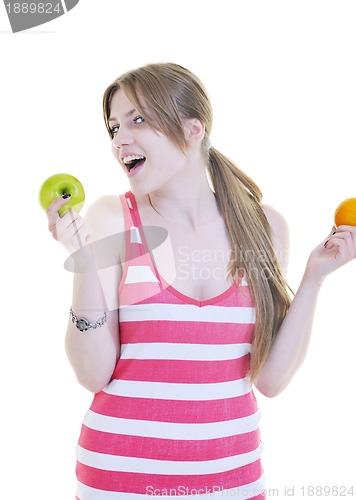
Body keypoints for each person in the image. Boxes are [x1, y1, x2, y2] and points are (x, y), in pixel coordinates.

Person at [46, 63, 356, 499]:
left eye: (138, 119)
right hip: (119, 481)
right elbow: (92, 372)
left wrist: (315, 277)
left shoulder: (265, 228)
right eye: (114, 126)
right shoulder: (113, 218)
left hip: (233, 482)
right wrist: (82, 260)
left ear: (194, 129)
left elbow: (269, 380)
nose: (120, 139)